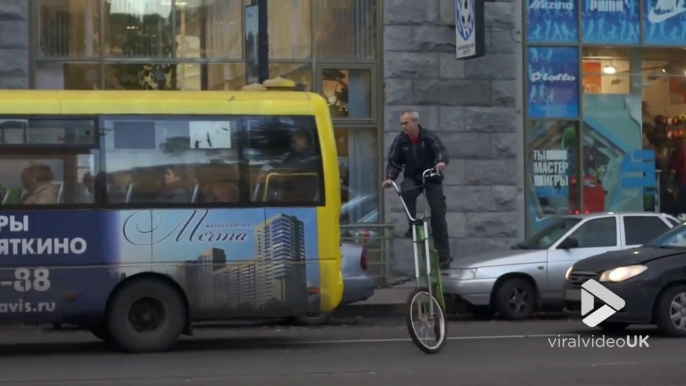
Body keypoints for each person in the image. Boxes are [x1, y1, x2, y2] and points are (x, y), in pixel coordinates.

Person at [382, 111, 452, 269]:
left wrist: (441, 163)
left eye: (406, 123)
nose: (404, 127)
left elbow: (440, 151)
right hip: (413, 176)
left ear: (415, 122)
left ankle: (443, 255)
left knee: (437, 214)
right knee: (406, 192)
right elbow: (394, 162)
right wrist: (390, 177)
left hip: (431, 177)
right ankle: (413, 225)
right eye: (402, 124)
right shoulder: (401, 141)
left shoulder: (428, 137)